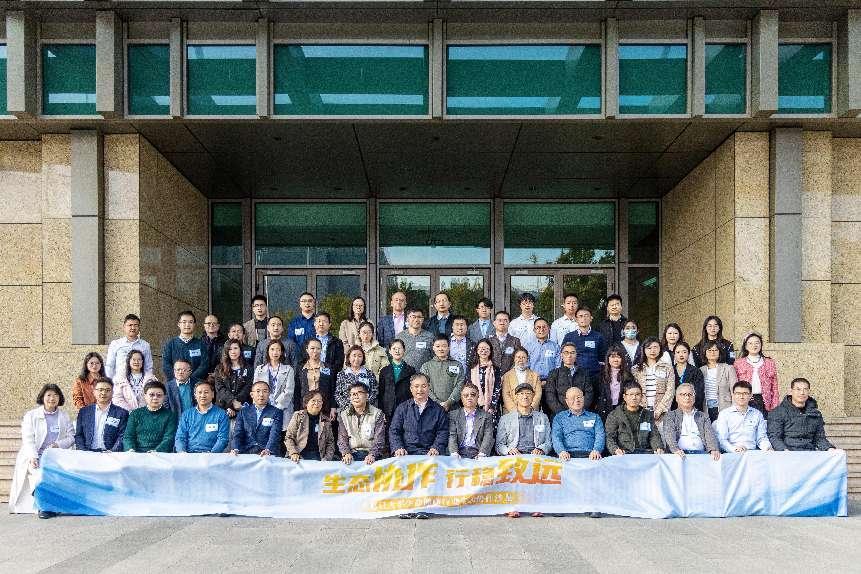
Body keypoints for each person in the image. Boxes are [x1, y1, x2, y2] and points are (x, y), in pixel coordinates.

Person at [9, 384, 75, 516]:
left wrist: (58, 444)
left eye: (55, 395)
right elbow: (28, 438)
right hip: (34, 456)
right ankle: (44, 507)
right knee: (39, 476)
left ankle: (52, 504)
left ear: (60, 398)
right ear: (42, 397)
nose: (52, 398)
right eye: (49, 395)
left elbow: (71, 437)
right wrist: (33, 456)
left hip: (54, 456)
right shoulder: (31, 415)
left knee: (57, 475)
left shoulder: (64, 416)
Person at [495, 382, 552, 513]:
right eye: (521, 394)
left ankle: (535, 506)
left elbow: (549, 441)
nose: (525, 396)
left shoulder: (542, 418)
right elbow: (499, 445)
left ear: (533, 397)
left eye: (528, 393)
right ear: (516, 397)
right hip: (515, 455)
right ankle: (513, 506)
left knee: (536, 471)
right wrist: (509, 450)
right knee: (513, 471)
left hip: (535, 455)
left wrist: (541, 449)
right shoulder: (506, 419)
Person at [767, 378, 836, 451]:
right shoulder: (778, 412)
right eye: (798, 389)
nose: (802, 393)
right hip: (788, 452)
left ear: (809, 391)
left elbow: (819, 438)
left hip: (810, 452)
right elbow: (775, 437)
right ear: (791, 391)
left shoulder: (815, 413)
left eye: (805, 389)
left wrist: (830, 448)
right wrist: (784, 451)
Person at [389, 373, 449, 458]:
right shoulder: (402, 408)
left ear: (429, 387)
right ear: (411, 389)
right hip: (406, 453)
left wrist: (436, 447)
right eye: (416, 386)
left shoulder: (439, 410)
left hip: (430, 454)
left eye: (423, 386)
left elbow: (443, 432)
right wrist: (398, 447)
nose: (420, 390)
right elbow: (394, 431)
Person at [662, 383, 720, 460]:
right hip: (679, 455)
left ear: (694, 397)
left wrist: (713, 449)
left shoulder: (703, 416)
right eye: (683, 394)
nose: (687, 397)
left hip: (701, 455)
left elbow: (710, 435)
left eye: (690, 394)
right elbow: (669, 436)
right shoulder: (670, 416)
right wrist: (675, 449)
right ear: (676, 398)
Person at [605, 383, 665, 455]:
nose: (634, 397)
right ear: (624, 397)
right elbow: (610, 437)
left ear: (642, 396)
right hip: (624, 453)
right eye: (631, 394)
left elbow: (654, 435)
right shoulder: (614, 415)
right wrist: (615, 449)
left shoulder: (647, 414)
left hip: (645, 453)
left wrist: (658, 447)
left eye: (637, 394)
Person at [714, 381, 773, 453]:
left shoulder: (757, 414)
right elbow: (722, 440)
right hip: (731, 453)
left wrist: (767, 447)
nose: (741, 397)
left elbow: (761, 438)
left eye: (745, 393)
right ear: (733, 395)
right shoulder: (724, 414)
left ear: (750, 395)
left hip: (752, 453)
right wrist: (734, 449)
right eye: (738, 393)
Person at [338, 382, 387, 465]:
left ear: (367, 395)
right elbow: (342, 438)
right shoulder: (344, 415)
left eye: (359, 393)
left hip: (371, 454)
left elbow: (379, 439)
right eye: (352, 394)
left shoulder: (377, 413)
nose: (355, 396)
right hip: (351, 454)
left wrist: (372, 454)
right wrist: (346, 453)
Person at [230, 380, 283, 457]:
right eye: (258, 391)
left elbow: (275, 434)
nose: (261, 394)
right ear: (252, 394)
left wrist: (268, 450)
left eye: (265, 391)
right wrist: (235, 448)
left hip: (267, 453)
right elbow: (238, 433)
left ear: (269, 394)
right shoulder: (243, 412)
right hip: (246, 452)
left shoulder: (276, 412)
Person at [174, 380, 230, 453]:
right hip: (189, 455)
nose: (203, 395)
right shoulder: (186, 414)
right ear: (195, 395)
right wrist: (182, 452)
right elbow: (180, 437)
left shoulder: (221, 414)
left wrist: (211, 454)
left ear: (213, 394)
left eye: (206, 392)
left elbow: (223, 439)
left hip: (212, 455)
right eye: (199, 392)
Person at [123, 380, 179, 453]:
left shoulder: (170, 415)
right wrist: (131, 449)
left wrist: (156, 451)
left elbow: (169, 438)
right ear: (145, 396)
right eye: (151, 395)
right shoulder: (135, 414)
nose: (155, 398)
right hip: (136, 454)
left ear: (164, 397)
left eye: (159, 395)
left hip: (160, 455)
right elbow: (128, 436)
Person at [74, 378, 128, 452]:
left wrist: (112, 451)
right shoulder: (84, 412)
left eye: (107, 390)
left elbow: (122, 436)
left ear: (112, 392)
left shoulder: (122, 413)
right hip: (87, 453)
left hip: (110, 454)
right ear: (94, 392)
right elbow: (79, 435)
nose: (103, 393)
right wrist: (84, 452)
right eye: (100, 390)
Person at [631, 337, 674, 428]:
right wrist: (641, 409)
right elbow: (633, 391)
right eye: (649, 348)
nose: (652, 350)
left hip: (662, 413)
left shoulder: (667, 368)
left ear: (660, 349)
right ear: (643, 350)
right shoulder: (636, 369)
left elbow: (670, 390)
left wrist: (660, 409)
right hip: (641, 411)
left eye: (655, 347)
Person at [552, 386, 605, 461]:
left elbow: (600, 436)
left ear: (583, 398)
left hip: (591, 455)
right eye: (572, 398)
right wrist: (561, 451)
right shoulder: (559, 418)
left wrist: (597, 450)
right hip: (567, 456)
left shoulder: (595, 417)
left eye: (579, 397)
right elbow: (556, 437)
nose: (576, 400)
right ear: (567, 401)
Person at [253, 339, 296, 425]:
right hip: (263, 407)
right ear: (268, 351)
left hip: (283, 408)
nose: (275, 352)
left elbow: (289, 391)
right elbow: (255, 390)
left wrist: (277, 408)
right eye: (272, 349)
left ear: (282, 352)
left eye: (278, 349)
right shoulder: (259, 369)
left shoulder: (289, 369)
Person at [734, 332, 779, 413]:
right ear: (745, 346)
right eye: (750, 343)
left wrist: (775, 405)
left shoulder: (769, 362)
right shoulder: (738, 363)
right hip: (745, 400)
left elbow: (774, 386)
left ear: (761, 345)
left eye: (757, 343)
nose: (754, 345)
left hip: (765, 402)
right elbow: (734, 384)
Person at [545, 343, 594, 416]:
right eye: (566, 352)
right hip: (560, 415)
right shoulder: (553, 373)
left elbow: (589, 393)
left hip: (581, 414)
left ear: (576, 355)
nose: (569, 355)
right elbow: (550, 396)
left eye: (572, 353)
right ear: (561, 355)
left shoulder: (584, 373)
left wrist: (579, 410)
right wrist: (563, 414)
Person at [285, 391, 336, 461]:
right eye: (313, 400)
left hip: (319, 458)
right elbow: (289, 437)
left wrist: (327, 458)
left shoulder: (326, 421)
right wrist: (294, 453)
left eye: (319, 401)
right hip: (299, 455)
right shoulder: (298, 416)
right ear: (306, 403)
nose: (316, 403)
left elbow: (330, 443)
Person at [448, 383, 496, 459]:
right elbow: (452, 435)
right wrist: (454, 453)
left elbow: (488, 437)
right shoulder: (453, 415)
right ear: (461, 398)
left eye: (473, 395)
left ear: (478, 397)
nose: (469, 397)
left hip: (478, 453)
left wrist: (482, 454)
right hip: (458, 452)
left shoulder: (486, 416)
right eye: (466, 395)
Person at [161, 310, 209, 383]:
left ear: (194, 324)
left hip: (196, 385)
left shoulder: (201, 344)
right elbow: (166, 365)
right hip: (175, 384)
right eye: (184, 322)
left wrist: (190, 380)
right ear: (178, 324)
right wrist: (179, 379)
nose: (187, 325)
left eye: (190, 322)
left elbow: (204, 365)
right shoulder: (170, 344)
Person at [419, 336, 465, 411]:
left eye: (444, 346)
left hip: (454, 408)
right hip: (432, 408)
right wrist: (438, 402)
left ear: (449, 347)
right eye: (438, 346)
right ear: (433, 348)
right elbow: (424, 387)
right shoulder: (426, 366)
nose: (441, 349)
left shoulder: (457, 365)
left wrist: (449, 402)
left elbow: (460, 385)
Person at [295, 338, 336, 419]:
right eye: (312, 348)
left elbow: (333, 388)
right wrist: (298, 408)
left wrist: (333, 407)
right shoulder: (300, 368)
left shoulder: (328, 367)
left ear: (321, 350)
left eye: (318, 348)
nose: (315, 351)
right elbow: (297, 390)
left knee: (323, 426)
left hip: (324, 406)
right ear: (307, 350)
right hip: (305, 406)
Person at [378, 338, 416, 427]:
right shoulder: (384, 371)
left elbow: (413, 393)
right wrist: (381, 411)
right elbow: (381, 393)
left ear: (404, 350)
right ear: (390, 351)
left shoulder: (411, 370)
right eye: (394, 348)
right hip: (388, 410)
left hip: (406, 409)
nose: (397, 351)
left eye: (399, 348)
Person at [562, 306, 607, 380]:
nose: (584, 318)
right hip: (574, 376)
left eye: (586, 316)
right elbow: (564, 357)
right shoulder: (569, 337)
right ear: (576, 319)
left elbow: (602, 358)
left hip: (595, 376)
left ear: (591, 318)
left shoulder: (598, 336)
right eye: (580, 316)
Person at [105, 313, 154, 379]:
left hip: (139, 382)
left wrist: (147, 381)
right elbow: (109, 366)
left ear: (139, 327)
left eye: (136, 325)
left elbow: (148, 367)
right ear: (124, 327)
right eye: (130, 325)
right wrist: (108, 381)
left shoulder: (145, 345)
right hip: (119, 382)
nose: (133, 328)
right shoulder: (116, 344)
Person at [213, 340, 254, 418]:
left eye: (235, 348)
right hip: (223, 407)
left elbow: (248, 388)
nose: (233, 351)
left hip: (241, 407)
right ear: (226, 351)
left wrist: (234, 405)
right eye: (230, 349)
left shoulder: (249, 368)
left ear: (240, 350)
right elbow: (220, 388)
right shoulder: (219, 368)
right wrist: (232, 402)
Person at [699, 340, 736, 421]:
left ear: (720, 352)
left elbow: (735, 390)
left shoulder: (728, 368)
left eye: (716, 350)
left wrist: (734, 409)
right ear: (705, 353)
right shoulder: (700, 370)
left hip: (725, 407)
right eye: (709, 350)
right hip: (706, 408)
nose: (713, 352)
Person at [465, 338, 502, 419]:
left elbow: (497, 388)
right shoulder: (471, 368)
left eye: (486, 349)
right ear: (477, 351)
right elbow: (468, 387)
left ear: (490, 351)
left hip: (492, 409)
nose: (483, 351)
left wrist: (492, 406)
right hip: (474, 407)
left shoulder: (495, 369)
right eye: (481, 348)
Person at [596, 347, 635, 421]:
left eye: (618, 357)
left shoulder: (628, 376)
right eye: (612, 357)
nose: (615, 360)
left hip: (622, 409)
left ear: (622, 359)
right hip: (604, 409)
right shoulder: (601, 375)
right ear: (608, 359)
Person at [335, 345, 379, 409]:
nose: (357, 359)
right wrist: (350, 407)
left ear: (363, 358)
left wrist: (364, 405)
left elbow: (374, 392)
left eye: (360, 356)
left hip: (366, 409)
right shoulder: (342, 374)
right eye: (354, 355)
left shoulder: (369, 374)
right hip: (347, 410)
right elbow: (338, 394)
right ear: (349, 357)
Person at [501, 348, 541, 415]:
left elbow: (538, 394)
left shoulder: (535, 375)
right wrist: (514, 410)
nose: (521, 360)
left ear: (527, 359)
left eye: (523, 357)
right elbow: (505, 395)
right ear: (514, 359)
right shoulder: (507, 376)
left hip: (531, 412)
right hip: (510, 412)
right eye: (518, 357)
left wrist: (529, 408)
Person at [669, 342, 705, 412]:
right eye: (678, 352)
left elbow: (699, 393)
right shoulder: (670, 370)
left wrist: (689, 406)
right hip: (673, 409)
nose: (681, 355)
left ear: (688, 354)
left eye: (684, 352)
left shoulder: (696, 371)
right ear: (674, 354)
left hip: (692, 408)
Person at [526, 318, 561, 383]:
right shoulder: (528, 347)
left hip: (551, 382)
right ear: (534, 330)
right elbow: (525, 366)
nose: (541, 330)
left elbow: (558, 367)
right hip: (532, 381)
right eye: (538, 327)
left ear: (549, 329)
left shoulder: (556, 347)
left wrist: (550, 381)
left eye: (544, 327)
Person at [313, 312, 345, 380]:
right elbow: (303, 361)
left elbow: (339, 364)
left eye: (324, 321)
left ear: (329, 324)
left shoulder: (337, 342)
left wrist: (327, 372)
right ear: (314, 323)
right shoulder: (308, 341)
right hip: (311, 377)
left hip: (329, 379)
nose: (321, 324)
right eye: (319, 321)